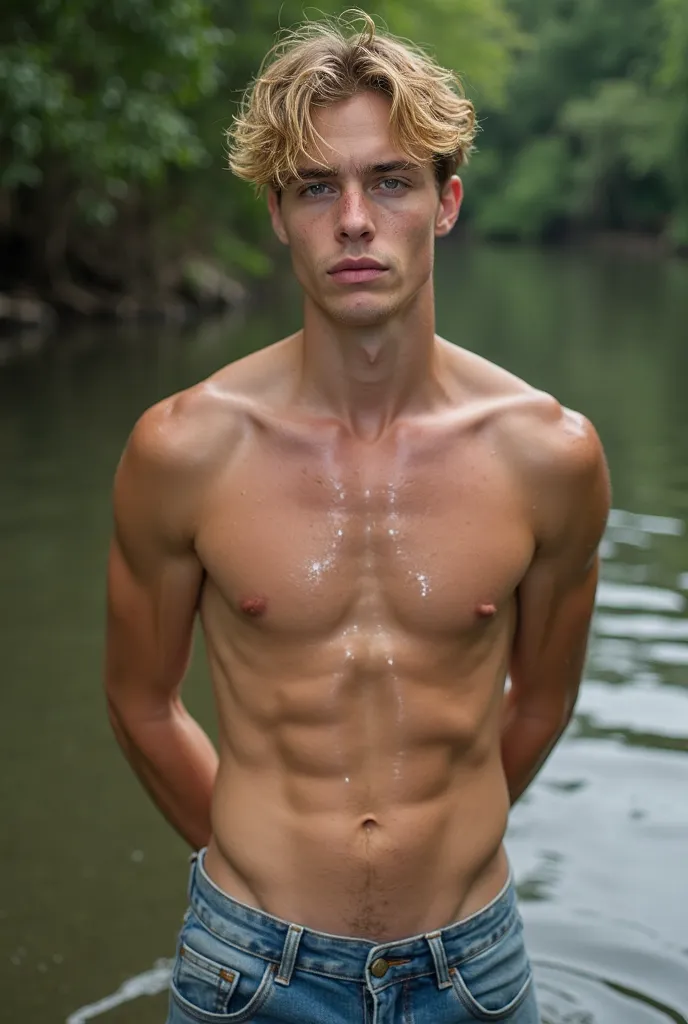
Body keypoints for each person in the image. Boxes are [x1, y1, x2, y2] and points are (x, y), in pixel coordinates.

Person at [104, 11, 610, 1024]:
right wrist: (254, 874)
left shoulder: (549, 455)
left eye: (388, 180)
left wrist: (445, 850)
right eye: (313, 187)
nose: (353, 220)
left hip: (472, 966)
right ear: (276, 216)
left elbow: (540, 700)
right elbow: (142, 700)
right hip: (247, 967)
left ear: (446, 201)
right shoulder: (184, 449)